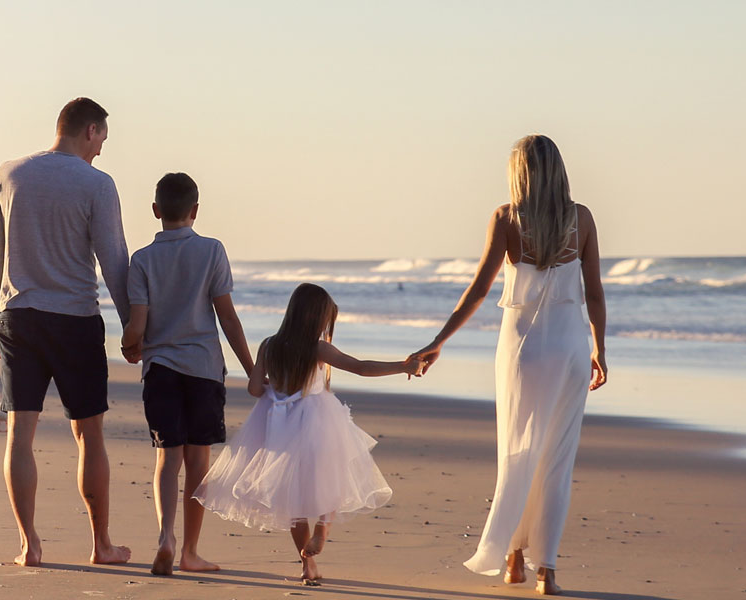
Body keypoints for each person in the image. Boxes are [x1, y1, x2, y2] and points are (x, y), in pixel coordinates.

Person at [409, 134, 609, 595]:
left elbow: (479, 290)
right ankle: (548, 570)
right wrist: (600, 348)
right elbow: (595, 293)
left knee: (517, 450)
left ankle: (513, 558)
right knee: (558, 458)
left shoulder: (506, 218)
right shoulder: (582, 219)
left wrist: (440, 340)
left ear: (519, 171)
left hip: (522, 349)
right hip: (571, 347)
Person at [0, 97, 132, 567]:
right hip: (75, 321)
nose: (102, 151)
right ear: (90, 130)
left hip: (20, 316)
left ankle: (29, 544)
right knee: (89, 436)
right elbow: (114, 260)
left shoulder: (10, 173)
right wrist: (133, 326)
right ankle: (101, 544)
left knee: (19, 436)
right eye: (102, 139)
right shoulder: (97, 184)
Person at [194, 283, 415, 586]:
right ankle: (323, 528)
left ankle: (306, 564)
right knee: (332, 475)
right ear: (317, 318)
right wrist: (402, 366)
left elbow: (254, 389)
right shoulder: (318, 347)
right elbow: (360, 368)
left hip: (280, 426)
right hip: (318, 420)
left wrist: (275, 386)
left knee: (292, 495)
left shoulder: (269, 345)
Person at [118, 173, 257, 576]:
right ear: (195, 211)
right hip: (203, 370)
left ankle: (165, 536)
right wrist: (252, 370)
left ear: (156, 212)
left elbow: (138, 323)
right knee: (198, 461)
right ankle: (191, 551)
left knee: (167, 459)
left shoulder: (142, 259)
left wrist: (129, 345)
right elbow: (227, 318)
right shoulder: (212, 251)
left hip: (160, 370)